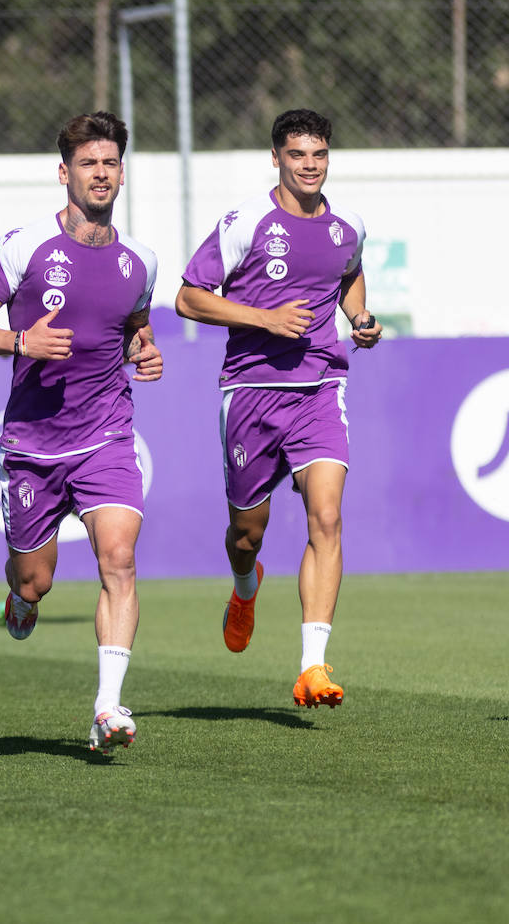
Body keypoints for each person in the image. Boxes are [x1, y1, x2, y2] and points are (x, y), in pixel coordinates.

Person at [0, 111, 163, 755]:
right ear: (63, 172)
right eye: (89, 164)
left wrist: (144, 352)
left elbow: (134, 330)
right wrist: (21, 340)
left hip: (107, 435)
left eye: (111, 164)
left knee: (119, 560)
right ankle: (24, 600)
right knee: (33, 579)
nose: (101, 174)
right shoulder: (24, 247)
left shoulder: (140, 262)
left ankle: (106, 706)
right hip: (34, 444)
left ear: (122, 173)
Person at [174, 108, 382, 710]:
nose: (309, 166)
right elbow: (189, 297)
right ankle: (245, 587)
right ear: (276, 159)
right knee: (247, 534)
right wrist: (265, 318)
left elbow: (350, 274)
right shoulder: (246, 223)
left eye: (318, 155)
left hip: (320, 388)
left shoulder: (348, 225)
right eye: (297, 155)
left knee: (327, 518)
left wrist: (359, 319)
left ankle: (312, 666)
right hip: (251, 393)